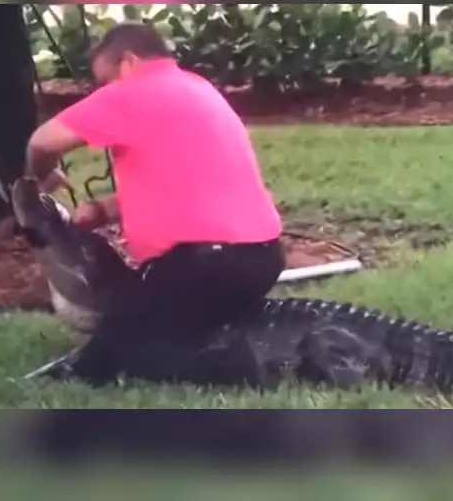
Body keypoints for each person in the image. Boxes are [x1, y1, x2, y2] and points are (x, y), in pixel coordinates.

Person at [24, 22, 284, 383]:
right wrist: (102, 210)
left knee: (111, 355)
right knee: (157, 321)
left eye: (105, 79)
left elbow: (41, 142)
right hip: (263, 258)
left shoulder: (132, 93)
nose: (102, 91)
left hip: (204, 265)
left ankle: (232, 369)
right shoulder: (198, 88)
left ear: (128, 61)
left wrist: (41, 177)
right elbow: (185, 179)